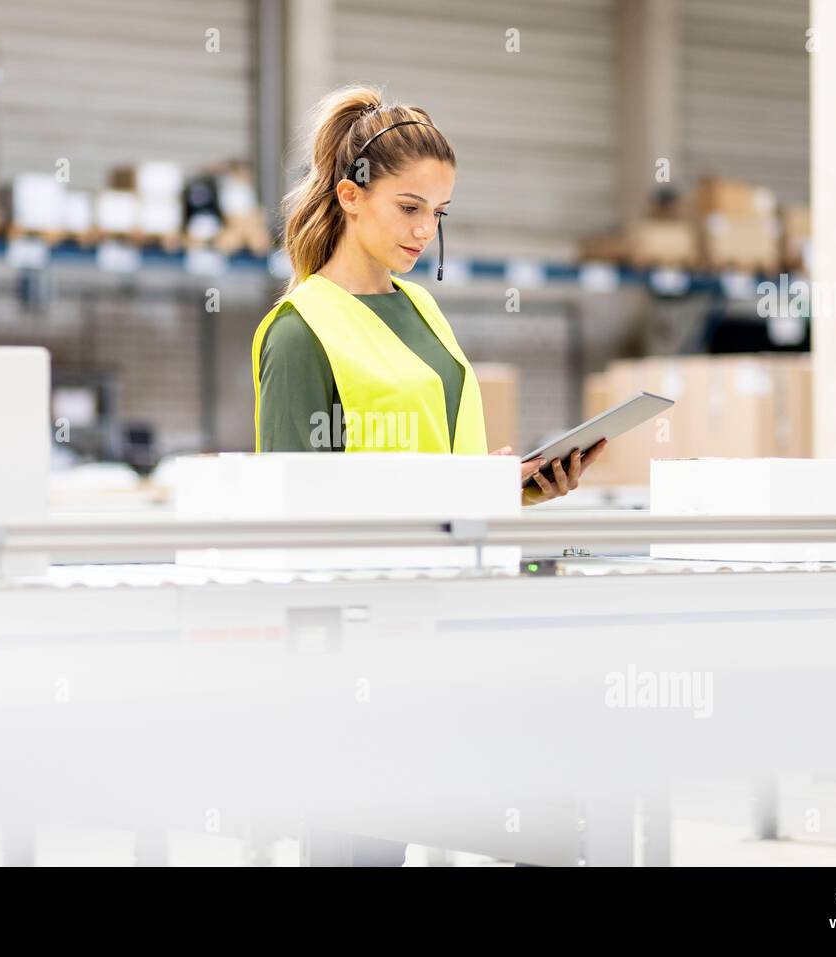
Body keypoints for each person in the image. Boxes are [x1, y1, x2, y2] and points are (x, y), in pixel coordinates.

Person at [251, 85, 607, 864]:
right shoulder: (300, 331)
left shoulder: (424, 311)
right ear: (350, 195)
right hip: (359, 652)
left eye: (438, 214)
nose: (425, 230)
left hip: (452, 626)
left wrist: (519, 486)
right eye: (409, 207)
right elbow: (293, 517)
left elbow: (435, 469)